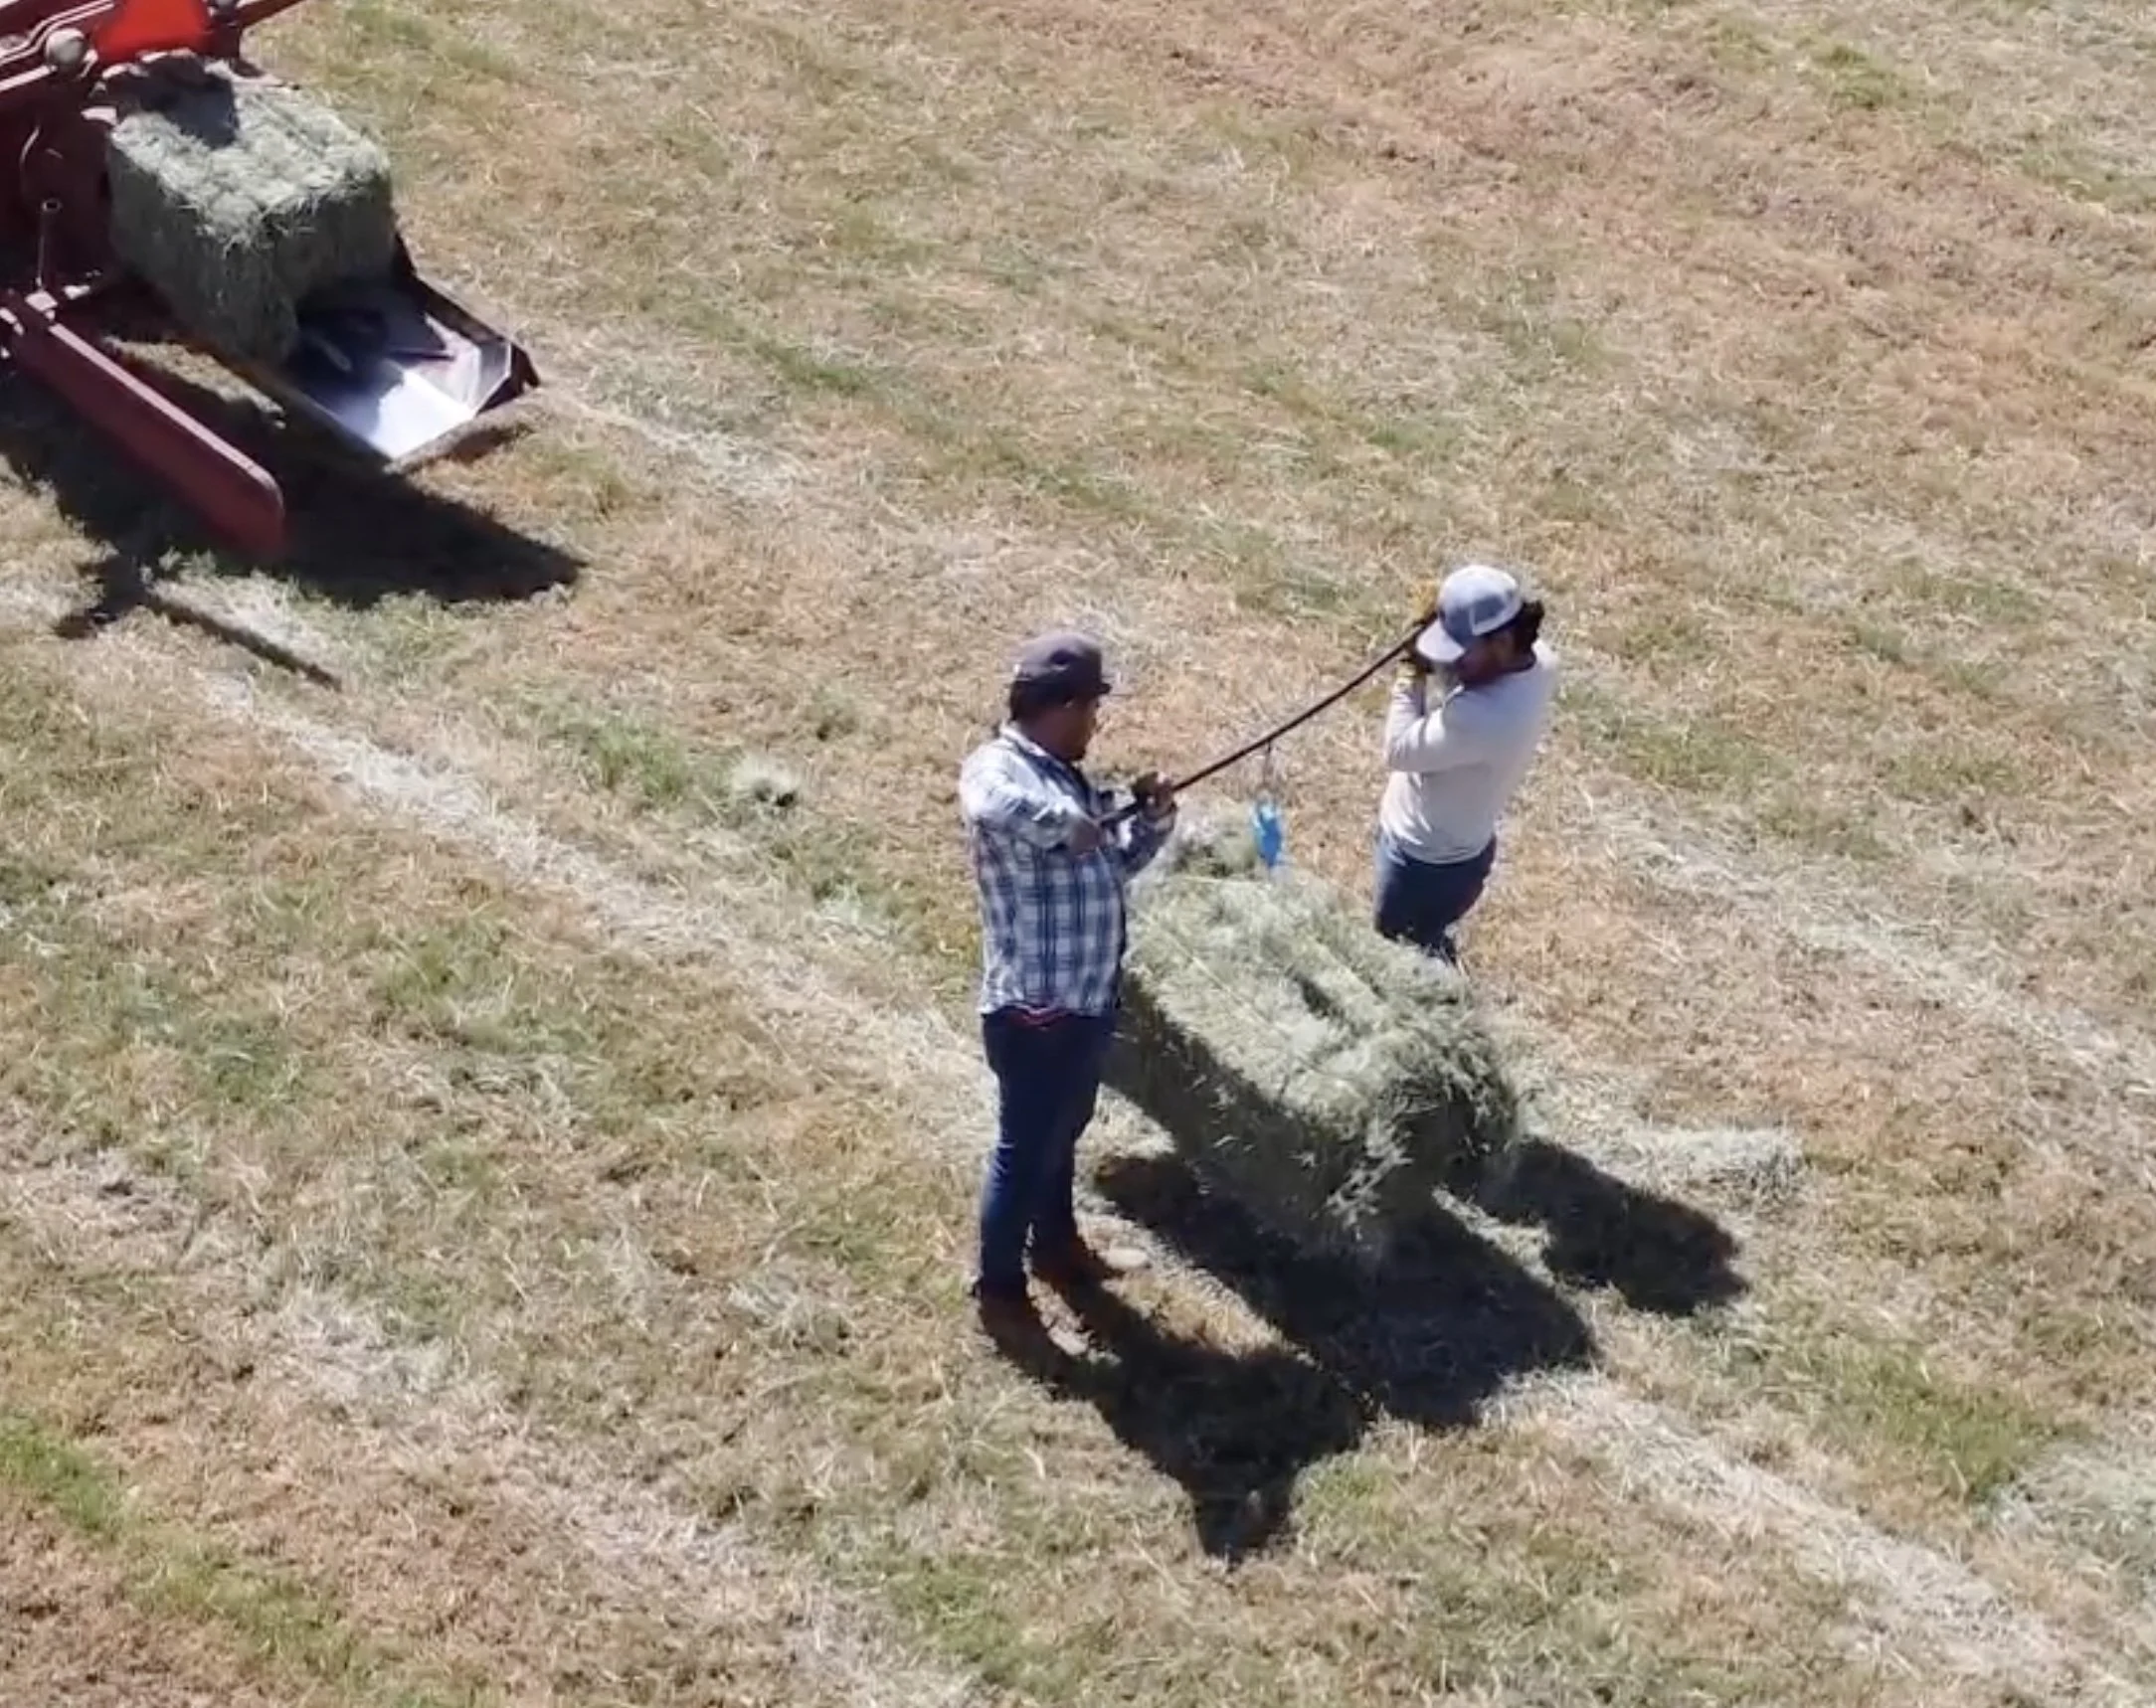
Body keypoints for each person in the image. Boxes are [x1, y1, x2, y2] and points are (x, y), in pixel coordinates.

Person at [958, 630, 1177, 1344]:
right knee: (1023, 1151)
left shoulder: (1069, 776)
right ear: (1058, 705)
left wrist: (1152, 818)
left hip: (1085, 1001)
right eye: (1090, 708)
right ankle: (999, 1293)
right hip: (1034, 1009)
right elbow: (987, 802)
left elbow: (1110, 863)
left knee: (1064, 1134)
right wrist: (1066, 825)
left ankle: (1056, 1247)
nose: (1096, 724)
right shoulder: (1001, 767)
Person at [1374, 562, 1557, 964]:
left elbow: (1399, 750)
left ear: (1504, 642)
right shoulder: (1540, 662)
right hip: (1465, 854)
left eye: (1459, 655)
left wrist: (1411, 673)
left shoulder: (1482, 717)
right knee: (1426, 939)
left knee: (1397, 954)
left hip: (1419, 865)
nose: (1449, 666)